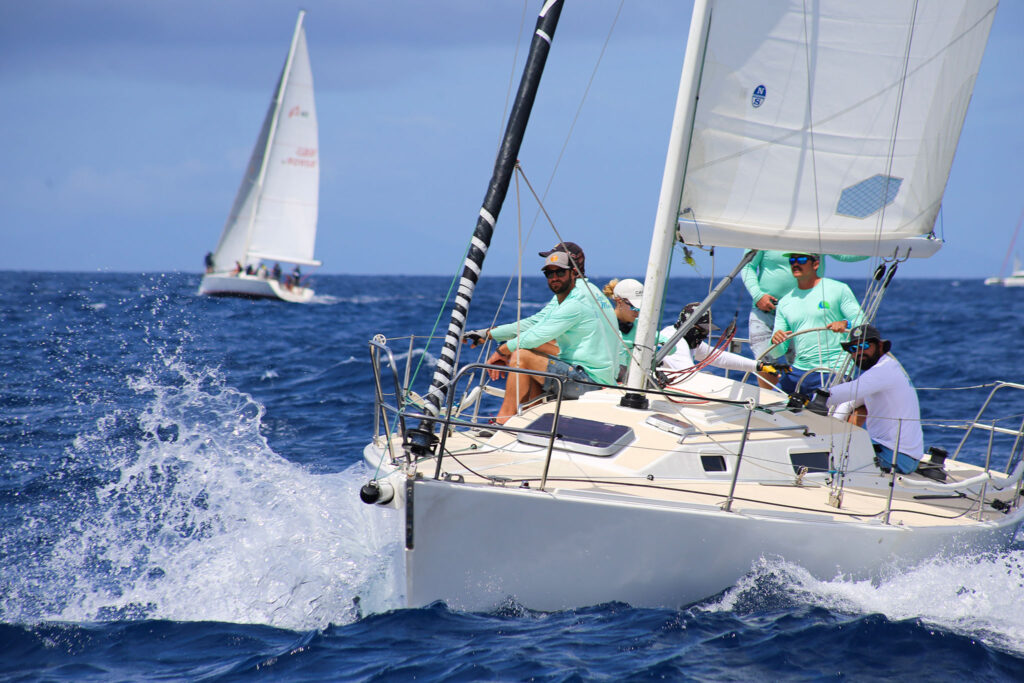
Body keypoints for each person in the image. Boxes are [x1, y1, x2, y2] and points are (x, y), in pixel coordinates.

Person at [467, 246, 619, 424]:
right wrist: (489, 334)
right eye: (549, 273)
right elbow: (535, 323)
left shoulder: (575, 300)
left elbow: (537, 333)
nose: (554, 277)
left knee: (522, 356)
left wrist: (501, 351)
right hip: (598, 376)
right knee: (527, 352)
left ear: (573, 271)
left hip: (591, 381)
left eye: (560, 272)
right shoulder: (587, 290)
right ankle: (533, 418)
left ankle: (503, 420)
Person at [742, 250, 867, 386]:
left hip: (831, 368)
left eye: (801, 260)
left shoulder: (838, 289)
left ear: (816, 264)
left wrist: (846, 324)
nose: (795, 264)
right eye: (792, 260)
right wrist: (774, 340)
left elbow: (843, 254)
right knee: (767, 368)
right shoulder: (785, 303)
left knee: (810, 379)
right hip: (769, 313)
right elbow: (776, 352)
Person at [825, 324, 923, 474]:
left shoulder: (883, 370)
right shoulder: (885, 370)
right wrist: (832, 424)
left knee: (826, 461)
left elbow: (849, 391)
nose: (859, 352)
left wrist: (815, 398)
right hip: (896, 453)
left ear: (880, 346)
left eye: (864, 346)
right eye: (853, 349)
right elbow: (850, 401)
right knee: (832, 449)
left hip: (896, 456)